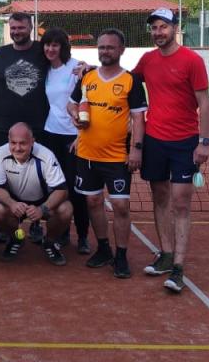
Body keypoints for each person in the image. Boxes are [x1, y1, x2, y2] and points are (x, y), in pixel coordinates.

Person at [132, 8, 209, 293]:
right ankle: (165, 254)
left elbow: (205, 103)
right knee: (160, 196)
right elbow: (125, 80)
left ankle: (178, 266)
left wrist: (204, 142)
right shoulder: (147, 60)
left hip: (185, 142)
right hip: (154, 140)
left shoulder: (192, 60)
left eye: (163, 27)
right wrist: (89, 70)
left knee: (180, 202)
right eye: (154, 28)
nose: (158, 32)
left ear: (175, 28)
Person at [71, 29, 147, 278]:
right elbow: (71, 103)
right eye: (102, 47)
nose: (105, 51)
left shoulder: (131, 80)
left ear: (121, 50)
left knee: (121, 206)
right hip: (87, 154)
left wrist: (136, 150)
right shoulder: (87, 77)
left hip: (117, 157)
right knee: (93, 202)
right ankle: (103, 248)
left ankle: (121, 256)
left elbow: (139, 118)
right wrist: (74, 115)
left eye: (110, 47)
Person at [0, 123, 71, 265]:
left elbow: (61, 190)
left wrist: (42, 209)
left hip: (42, 201)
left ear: (32, 141)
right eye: (13, 143)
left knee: (66, 209)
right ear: (8, 140)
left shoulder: (46, 155)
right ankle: (15, 239)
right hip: (15, 202)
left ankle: (49, 242)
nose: (17, 148)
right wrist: (12, 204)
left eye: (23, 143)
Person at [39, 27, 90, 254]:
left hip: (73, 136)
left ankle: (83, 236)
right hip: (51, 134)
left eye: (55, 45)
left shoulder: (75, 66)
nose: (50, 49)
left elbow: (94, 76)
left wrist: (90, 68)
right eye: (47, 44)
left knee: (76, 189)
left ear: (63, 47)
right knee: (56, 187)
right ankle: (62, 233)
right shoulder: (46, 70)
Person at [0, 12, 49, 153]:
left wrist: (85, 67)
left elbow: (63, 65)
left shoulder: (43, 50)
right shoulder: (1, 53)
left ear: (31, 28)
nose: (16, 32)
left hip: (37, 127)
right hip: (3, 127)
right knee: (0, 165)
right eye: (13, 28)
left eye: (21, 28)